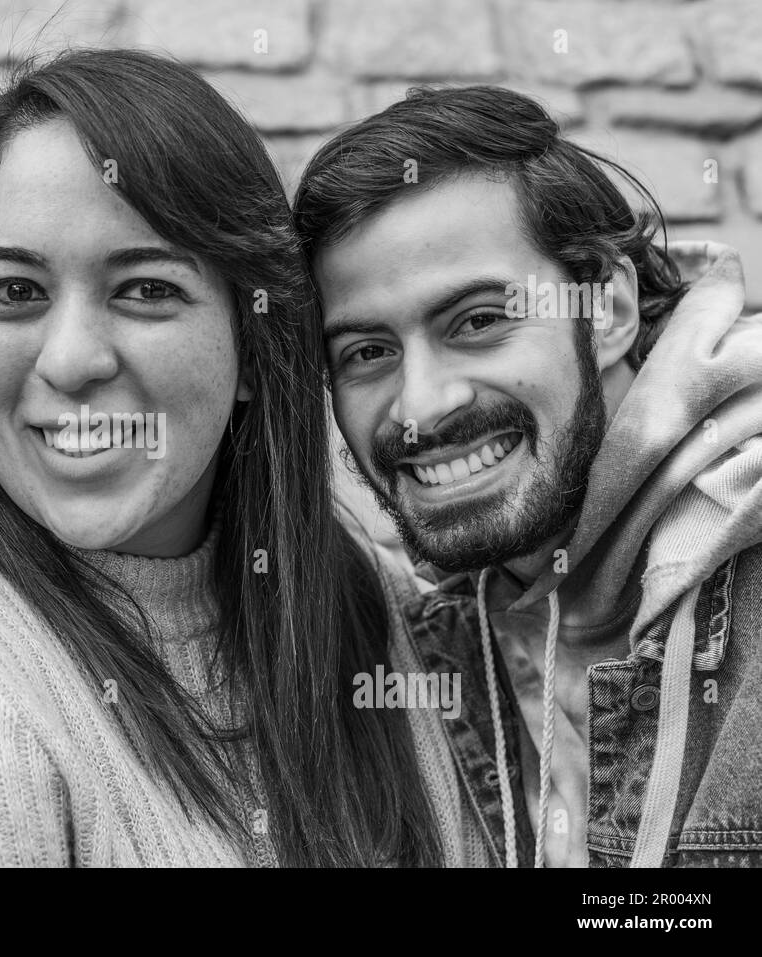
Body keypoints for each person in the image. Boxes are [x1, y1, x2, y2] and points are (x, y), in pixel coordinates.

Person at [0, 49, 479, 867]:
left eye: (146, 289)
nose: (72, 360)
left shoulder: (351, 587)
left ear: (256, 349)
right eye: (17, 291)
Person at [295, 85, 762, 867]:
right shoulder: (433, 646)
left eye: (478, 321)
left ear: (606, 308)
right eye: (367, 351)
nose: (421, 406)